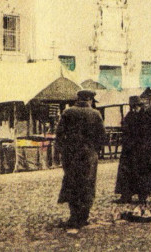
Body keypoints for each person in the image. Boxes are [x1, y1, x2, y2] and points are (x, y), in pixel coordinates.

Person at [55, 90, 107, 229]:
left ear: (78, 99)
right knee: (87, 183)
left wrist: (63, 150)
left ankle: (73, 216)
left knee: (72, 182)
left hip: (71, 154)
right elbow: (102, 136)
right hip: (88, 154)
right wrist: (95, 150)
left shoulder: (68, 112)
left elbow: (59, 134)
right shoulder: (95, 114)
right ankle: (84, 216)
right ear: (90, 99)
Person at [115, 96, 151, 203]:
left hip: (142, 150)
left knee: (142, 172)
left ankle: (142, 196)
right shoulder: (129, 116)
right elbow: (125, 131)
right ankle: (126, 195)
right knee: (127, 173)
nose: (136, 108)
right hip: (130, 150)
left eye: (138, 106)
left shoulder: (146, 117)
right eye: (135, 106)